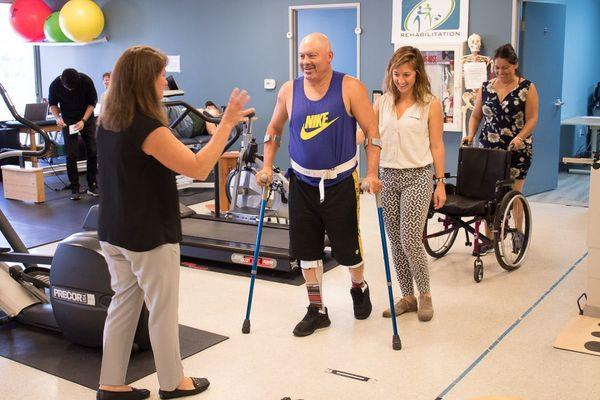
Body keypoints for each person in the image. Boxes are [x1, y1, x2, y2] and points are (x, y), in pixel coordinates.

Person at [96, 45, 252, 400]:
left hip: (114, 231)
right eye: (161, 75)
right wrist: (225, 125)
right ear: (145, 80)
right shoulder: (147, 127)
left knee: (123, 304)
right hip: (147, 234)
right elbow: (198, 168)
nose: (165, 81)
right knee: (163, 310)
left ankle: (111, 384)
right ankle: (172, 382)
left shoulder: (109, 120)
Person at [257, 32, 382, 337]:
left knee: (348, 250)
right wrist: (265, 166)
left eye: (312, 56)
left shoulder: (350, 87)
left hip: (341, 181)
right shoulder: (289, 90)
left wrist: (372, 173)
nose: (305, 62)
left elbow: (371, 130)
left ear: (329, 56)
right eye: (302, 56)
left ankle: (358, 286)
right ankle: (317, 309)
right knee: (307, 249)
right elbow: (274, 129)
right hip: (302, 182)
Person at [376, 46, 446, 322]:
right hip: (388, 176)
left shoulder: (430, 103)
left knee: (410, 240)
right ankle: (407, 296)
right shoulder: (382, 102)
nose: (400, 80)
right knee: (395, 241)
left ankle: (425, 295)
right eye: (396, 74)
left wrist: (439, 183)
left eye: (406, 74)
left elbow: (438, 146)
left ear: (417, 74)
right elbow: (368, 135)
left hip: (417, 175)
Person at [463, 43, 539, 254]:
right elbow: (476, 115)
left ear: (515, 65)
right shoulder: (486, 87)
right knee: (490, 194)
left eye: (505, 67)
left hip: (517, 149)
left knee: (514, 192)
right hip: (489, 148)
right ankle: (489, 239)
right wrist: (470, 134)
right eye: (497, 68)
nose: (501, 72)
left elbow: (532, 119)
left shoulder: (527, 88)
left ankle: (517, 232)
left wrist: (520, 137)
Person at [48, 68, 99, 200]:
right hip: (68, 121)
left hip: (86, 119)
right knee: (71, 154)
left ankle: (92, 184)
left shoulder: (86, 81)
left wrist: (83, 120)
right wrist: (57, 118)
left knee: (92, 151)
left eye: (73, 88)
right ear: (62, 81)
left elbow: (92, 103)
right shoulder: (55, 85)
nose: (71, 90)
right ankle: (74, 187)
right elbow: (52, 104)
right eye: (68, 88)